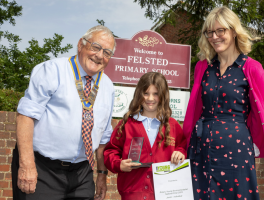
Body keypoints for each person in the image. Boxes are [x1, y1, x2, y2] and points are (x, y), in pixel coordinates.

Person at [11, 25, 116, 200]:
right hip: (42, 169)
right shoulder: (51, 70)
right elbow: (25, 116)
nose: (100, 56)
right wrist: (27, 165)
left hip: (82, 173)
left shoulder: (108, 86)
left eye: (107, 52)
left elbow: (104, 137)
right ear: (80, 45)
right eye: (96, 47)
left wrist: (102, 176)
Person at [183, 6, 264, 200]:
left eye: (220, 30)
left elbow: (261, 111)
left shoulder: (252, 68)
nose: (214, 37)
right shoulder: (202, 67)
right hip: (200, 148)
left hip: (236, 150)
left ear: (233, 31)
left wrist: (256, 145)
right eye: (210, 32)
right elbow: (195, 109)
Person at [104, 72, 187, 200]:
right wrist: (118, 164)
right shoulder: (126, 124)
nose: (150, 99)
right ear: (139, 94)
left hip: (165, 194)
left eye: (155, 94)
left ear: (163, 95)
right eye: (146, 93)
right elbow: (111, 151)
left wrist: (181, 152)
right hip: (132, 194)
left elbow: (183, 147)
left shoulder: (172, 125)